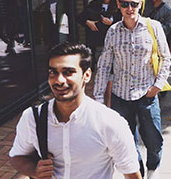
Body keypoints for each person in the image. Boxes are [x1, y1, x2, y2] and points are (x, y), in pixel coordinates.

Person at [9, 42, 142, 179]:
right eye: (53, 72)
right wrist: (34, 170)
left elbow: (132, 174)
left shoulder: (109, 122)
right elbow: (17, 156)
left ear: (87, 75)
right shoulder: (33, 117)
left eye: (68, 72)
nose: (59, 80)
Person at [94, 0, 170, 179]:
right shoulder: (113, 31)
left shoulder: (153, 27)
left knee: (153, 140)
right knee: (126, 142)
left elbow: (165, 57)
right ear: (118, 4)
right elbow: (104, 65)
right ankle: (138, 174)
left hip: (147, 95)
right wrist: (99, 98)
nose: (130, 9)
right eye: (125, 4)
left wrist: (158, 86)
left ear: (140, 4)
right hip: (121, 96)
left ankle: (153, 167)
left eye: (134, 4)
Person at [77, 0, 121, 66]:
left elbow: (123, 23)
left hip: (112, 45)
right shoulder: (94, 4)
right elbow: (79, 17)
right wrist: (88, 22)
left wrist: (111, 23)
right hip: (95, 44)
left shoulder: (118, 6)